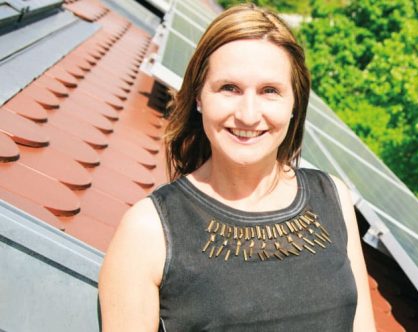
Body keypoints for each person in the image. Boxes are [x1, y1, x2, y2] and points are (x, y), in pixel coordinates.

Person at [98, 4, 376, 331]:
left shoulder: (333, 197)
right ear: (199, 96)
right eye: (229, 88)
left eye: (269, 91)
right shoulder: (149, 230)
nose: (248, 114)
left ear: (294, 104)